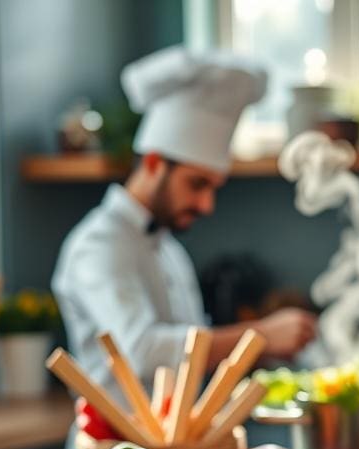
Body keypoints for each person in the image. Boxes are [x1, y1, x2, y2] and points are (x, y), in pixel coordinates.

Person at [53, 47, 317, 403]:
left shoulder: (168, 248)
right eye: (197, 184)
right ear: (153, 164)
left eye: (213, 188)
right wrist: (261, 337)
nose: (207, 205)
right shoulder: (99, 244)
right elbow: (143, 352)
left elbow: (189, 356)